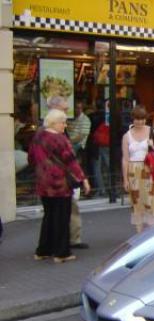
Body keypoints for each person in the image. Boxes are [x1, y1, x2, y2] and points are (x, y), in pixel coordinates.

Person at [28, 109, 90, 263]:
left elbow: (31, 158)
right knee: (62, 217)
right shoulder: (60, 139)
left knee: (48, 216)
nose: (65, 125)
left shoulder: (38, 137)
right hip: (60, 184)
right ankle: (61, 253)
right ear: (54, 123)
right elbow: (71, 161)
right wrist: (84, 179)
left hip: (43, 183)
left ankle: (43, 250)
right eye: (63, 122)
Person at [48, 96, 88, 249]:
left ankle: (69, 238)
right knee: (65, 208)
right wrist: (81, 177)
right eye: (64, 109)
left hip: (60, 175)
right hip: (59, 176)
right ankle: (66, 241)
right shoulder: (53, 132)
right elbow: (67, 156)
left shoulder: (56, 130)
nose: (67, 114)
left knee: (69, 207)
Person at [122, 105, 154, 233]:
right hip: (133, 170)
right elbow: (125, 158)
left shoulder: (153, 131)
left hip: (149, 169)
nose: (140, 122)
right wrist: (125, 179)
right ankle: (140, 234)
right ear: (132, 119)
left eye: (142, 119)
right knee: (137, 204)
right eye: (137, 119)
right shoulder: (127, 136)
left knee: (152, 201)